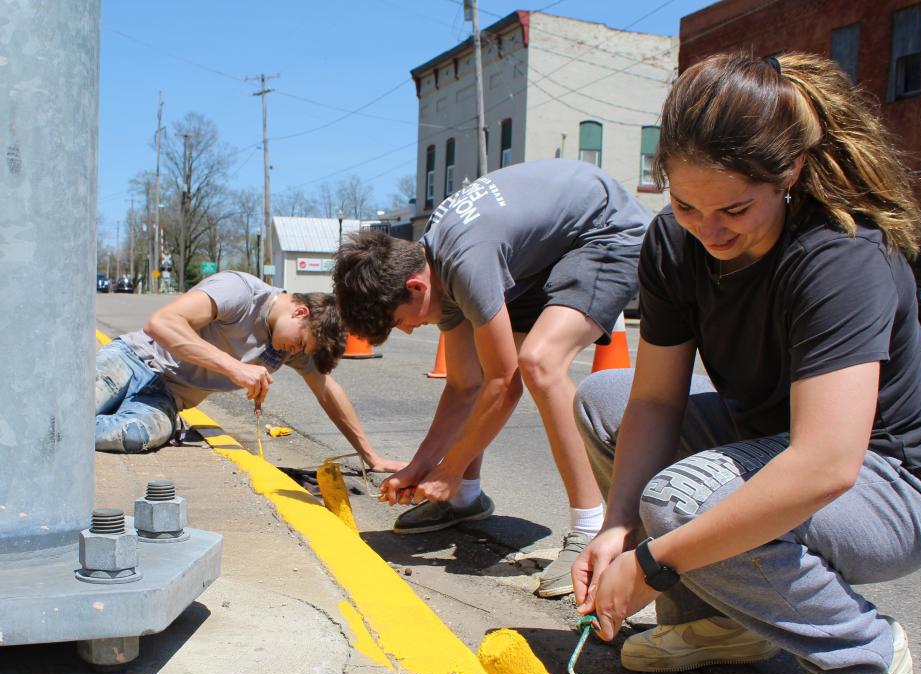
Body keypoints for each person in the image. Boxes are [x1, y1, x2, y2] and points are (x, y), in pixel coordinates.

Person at [572, 52, 921, 674]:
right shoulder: (675, 242)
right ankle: (725, 621)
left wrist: (654, 562)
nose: (708, 231)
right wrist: (618, 525)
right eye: (686, 205)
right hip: (772, 441)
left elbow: (822, 465)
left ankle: (861, 655)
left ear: (791, 176)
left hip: (891, 482)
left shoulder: (840, 254)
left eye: (734, 210)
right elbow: (654, 398)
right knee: (605, 399)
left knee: (682, 502)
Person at [334, 159, 650, 598]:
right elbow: (465, 384)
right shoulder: (432, 266)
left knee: (539, 363)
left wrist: (450, 466)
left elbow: (504, 385)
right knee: (484, 372)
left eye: (401, 321)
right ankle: (463, 500)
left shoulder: (465, 261)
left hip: (605, 232)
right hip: (540, 257)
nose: (407, 331)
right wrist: (421, 468)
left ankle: (593, 528)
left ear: (416, 288)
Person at [95, 270, 404, 473]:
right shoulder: (239, 291)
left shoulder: (287, 345)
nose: (293, 352)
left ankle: (56, 434)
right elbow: (161, 323)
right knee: (65, 411)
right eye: (300, 343)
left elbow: (328, 391)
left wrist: (370, 456)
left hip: (165, 400)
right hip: (131, 361)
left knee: (134, 437)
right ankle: (53, 429)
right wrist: (235, 368)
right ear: (300, 312)